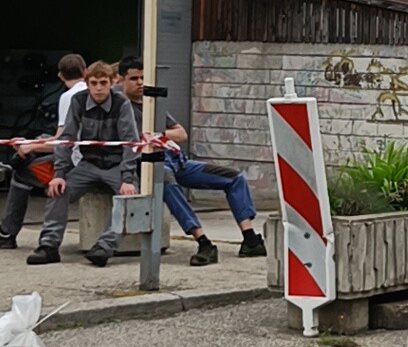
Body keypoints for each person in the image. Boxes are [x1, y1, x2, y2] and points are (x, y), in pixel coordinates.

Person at [115, 57, 266, 266]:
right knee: (166, 181)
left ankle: (250, 239)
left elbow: (181, 134)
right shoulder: (120, 106)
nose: (140, 82)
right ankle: (203, 241)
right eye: (134, 78)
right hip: (150, 162)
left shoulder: (151, 103)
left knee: (234, 178)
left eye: (143, 78)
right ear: (120, 80)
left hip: (178, 160)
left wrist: (156, 134)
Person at [27, 61, 139, 266]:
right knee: (58, 190)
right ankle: (49, 245)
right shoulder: (78, 101)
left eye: (103, 83)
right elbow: (66, 139)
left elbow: (131, 143)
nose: (98, 88)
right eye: (94, 83)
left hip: (116, 164)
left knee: (129, 198)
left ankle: (105, 247)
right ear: (87, 83)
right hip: (88, 164)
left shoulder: (121, 103)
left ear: (112, 82)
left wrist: (128, 177)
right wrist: (59, 173)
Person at [0, 54, 86, 249]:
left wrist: (30, 147)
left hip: (73, 163)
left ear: (60, 76)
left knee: (21, 174)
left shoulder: (68, 97)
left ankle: (8, 232)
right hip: (87, 156)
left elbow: (63, 141)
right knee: (40, 140)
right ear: (85, 71)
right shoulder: (92, 92)